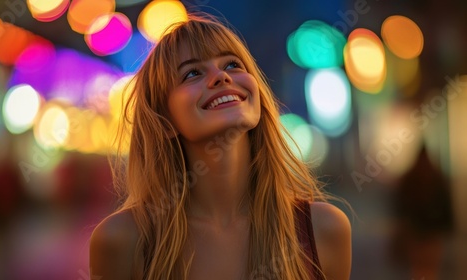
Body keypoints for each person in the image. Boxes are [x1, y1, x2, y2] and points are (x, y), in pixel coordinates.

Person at [90, 13, 351, 280]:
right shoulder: (122, 241)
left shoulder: (323, 230)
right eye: (192, 73)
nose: (221, 77)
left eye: (232, 65)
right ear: (164, 121)